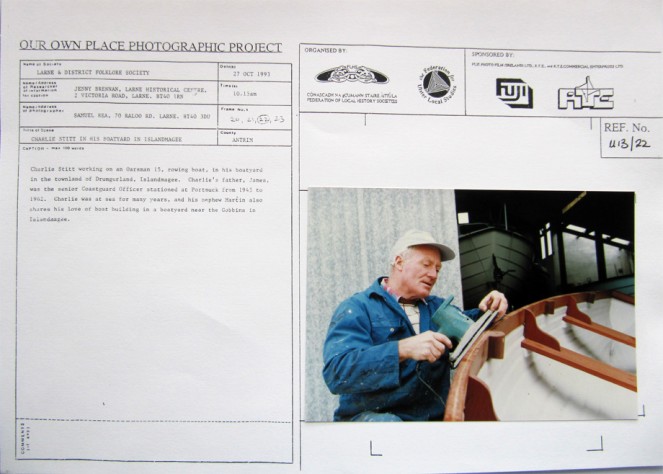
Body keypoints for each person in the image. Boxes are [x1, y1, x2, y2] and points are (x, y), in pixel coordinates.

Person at [322, 229, 508, 421]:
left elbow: (470, 327)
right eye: (426, 264)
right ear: (399, 262)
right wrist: (402, 349)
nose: (433, 274)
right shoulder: (358, 308)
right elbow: (337, 373)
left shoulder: (438, 307)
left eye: (437, 269)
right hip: (374, 419)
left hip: (431, 421)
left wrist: (490, 310)